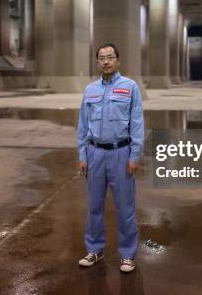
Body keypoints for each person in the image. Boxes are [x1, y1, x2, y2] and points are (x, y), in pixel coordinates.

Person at [76, 43, 144, 273]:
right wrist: (82, 154)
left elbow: (137, 123)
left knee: (125, 207)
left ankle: (127, 255)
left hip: (120, 153)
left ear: (118, 60)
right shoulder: (90, 90)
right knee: (94, 206)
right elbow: (83, 125)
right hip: (94, 153)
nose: (106, 61)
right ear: (97, 62)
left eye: (110, 57)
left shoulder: (130, 87)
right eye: (101, 58)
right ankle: (95, 249)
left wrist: (134, 155)